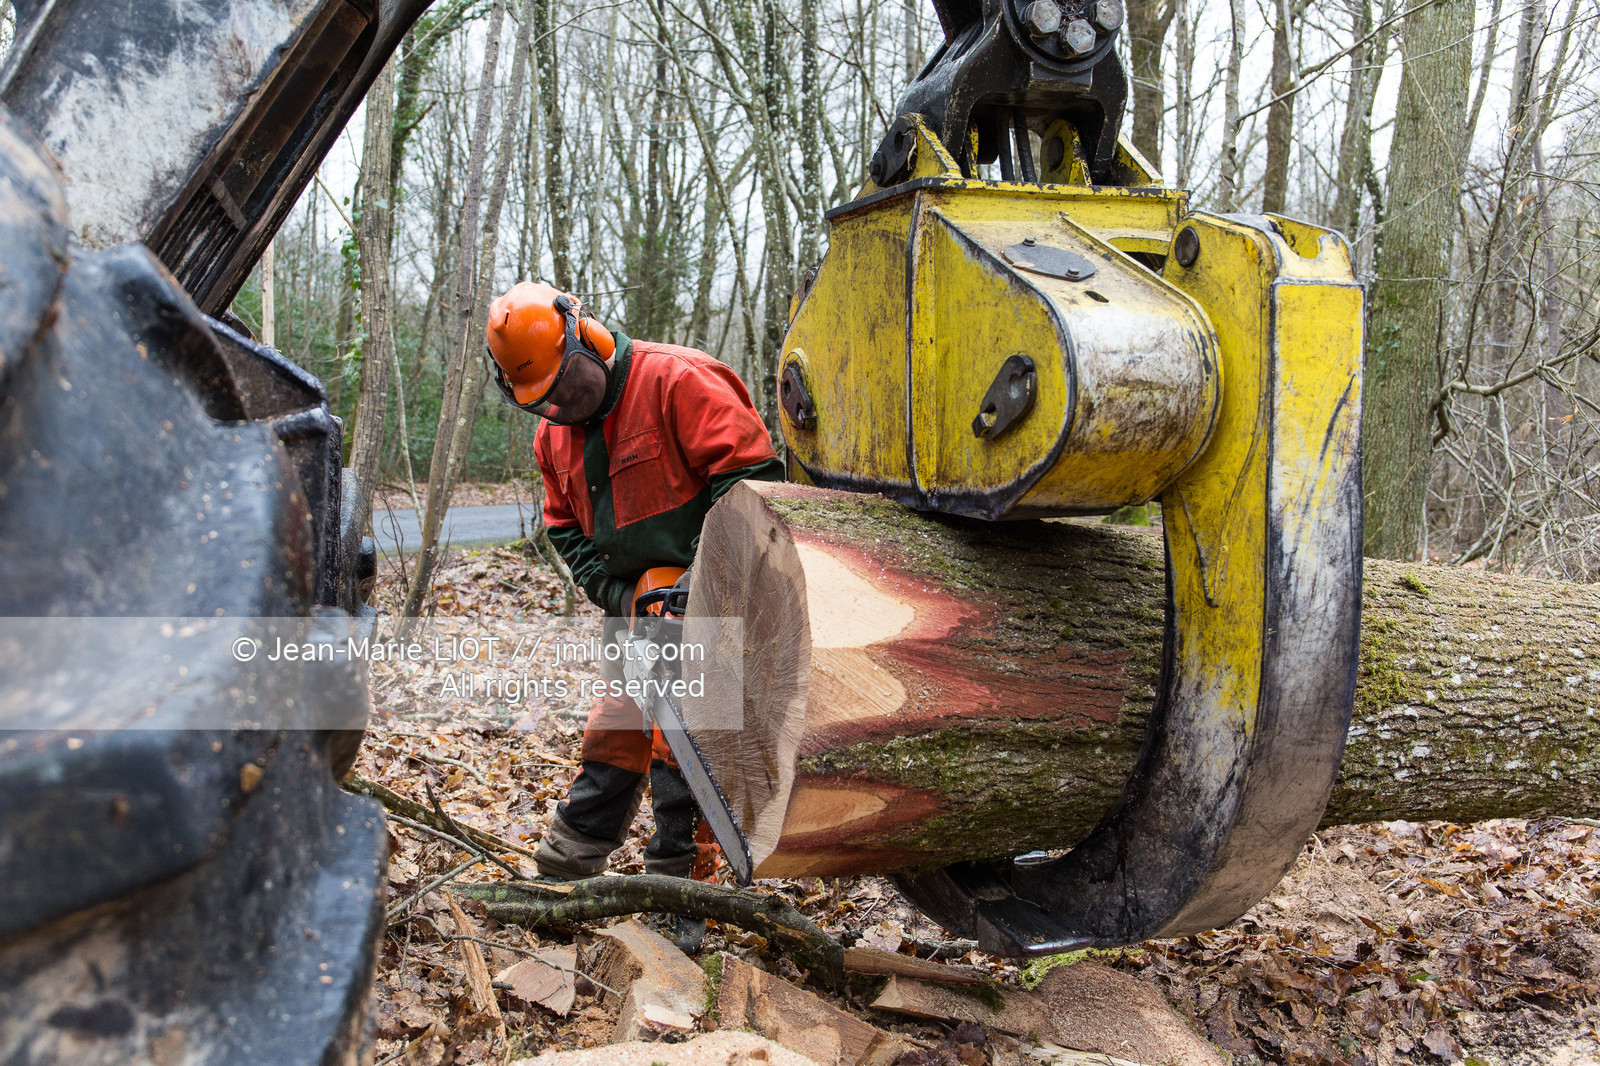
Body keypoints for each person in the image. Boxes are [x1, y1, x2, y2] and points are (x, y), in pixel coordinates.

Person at [485, 281, 782, 947]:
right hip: (637, 602)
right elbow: (564, 531)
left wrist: (707, 585)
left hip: (710, 596)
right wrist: (618, 597)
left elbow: (754, 481)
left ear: (584, 338)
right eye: (543, 400)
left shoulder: (678, 381)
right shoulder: (552, 440)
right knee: (614, 733)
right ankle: (564, 872)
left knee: (683, 745)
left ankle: (680, 893)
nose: (559, 405)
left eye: (565, 386)